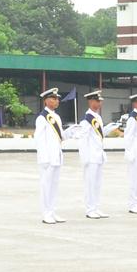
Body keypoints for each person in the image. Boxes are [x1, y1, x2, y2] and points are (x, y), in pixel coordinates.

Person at [67, 90, 109, 219]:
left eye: (100, 101)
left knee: (97, 184)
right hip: (90, 157)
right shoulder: (87, 120)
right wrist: (84, 158)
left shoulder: (98, 117)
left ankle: (96, 207)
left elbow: (98, 136)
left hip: (98, 156)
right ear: (91, 102)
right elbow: (83, 141)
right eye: (97, 101)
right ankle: (90, 209)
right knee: (90, 184)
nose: (99, 103)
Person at [33, 88, 67, 224]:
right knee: (46, 186)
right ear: (46, 100)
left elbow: (60, 137)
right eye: (53, 98)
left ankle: (52, 211)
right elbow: (39, 140)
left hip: (56, 157)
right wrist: (44, 158)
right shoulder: (42, 118)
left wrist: (72, 132)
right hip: (47, 159)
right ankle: (46, 213)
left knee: (54, 186)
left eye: (57, 99)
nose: (56, 101)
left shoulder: (56, 117)